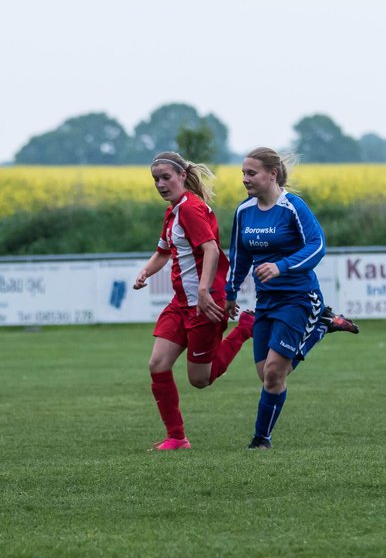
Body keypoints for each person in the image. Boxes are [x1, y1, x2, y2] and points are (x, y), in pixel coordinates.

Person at [224, 147, 358, 450]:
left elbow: (317, 246)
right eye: (243, 173)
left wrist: (281, 265)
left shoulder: (293, 207)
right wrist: (230, 293)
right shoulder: (244, 211)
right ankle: (323, 325)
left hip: (299, 298)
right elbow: (239, 255)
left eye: (251, 173)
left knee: (273, 372)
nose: (245, 179)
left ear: (272, 174)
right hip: (266, 303)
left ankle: (261, 440)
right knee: (267, 375)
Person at [134, 150, 255, 451]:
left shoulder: (190, 209)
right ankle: (176, 438)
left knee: (200, 380)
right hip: (180, 304)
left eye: (166, 177)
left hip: (205, 302)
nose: (160, 184)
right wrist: (146, 272)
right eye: (156, 179)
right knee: (158, 364)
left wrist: (203, 292)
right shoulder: (173, 211)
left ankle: (246, 327)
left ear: (182, 176)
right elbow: (163, 251)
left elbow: (212, 250)